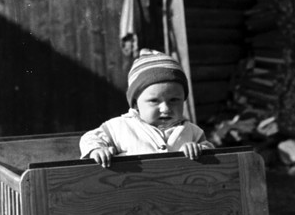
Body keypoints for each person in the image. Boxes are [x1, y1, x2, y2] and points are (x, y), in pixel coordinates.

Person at [80, 48, 214, 167]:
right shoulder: (120, 127)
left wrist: (198, 149)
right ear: (136, 102)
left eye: (174, 100)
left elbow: (213, 153)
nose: (165, 108)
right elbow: (90, 138)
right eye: (154, 101)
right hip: (134, 189)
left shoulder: (192, 131)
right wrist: (97, 150)